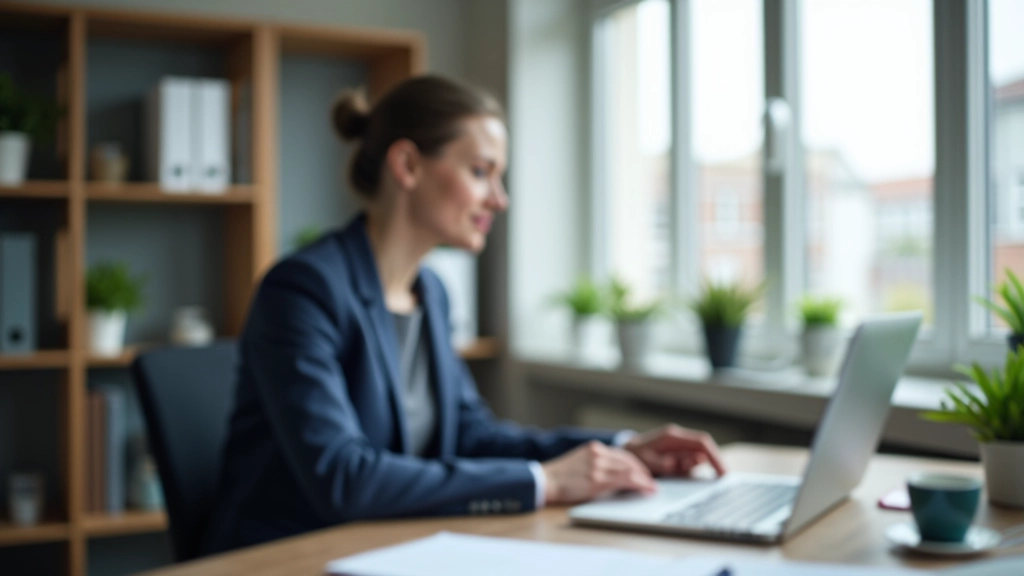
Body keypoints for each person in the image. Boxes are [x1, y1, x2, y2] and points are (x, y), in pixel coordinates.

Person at [205, 75, 727, 554]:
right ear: (407, 165)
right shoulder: (303, 289)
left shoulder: (430, 291)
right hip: (286, 555)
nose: (499, 200)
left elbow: (472, 436)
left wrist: (621, 449)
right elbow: (344, 477)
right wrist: (544, 482)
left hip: (387, 547)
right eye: (481, 172)